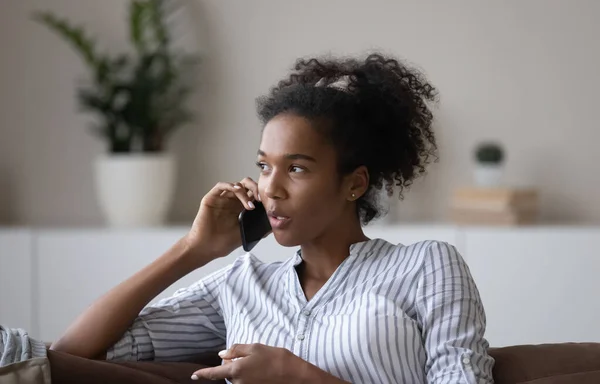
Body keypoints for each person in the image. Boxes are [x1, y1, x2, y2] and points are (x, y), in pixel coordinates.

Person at [50, 53, 495, 383]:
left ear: (354, 184)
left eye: (297, 168)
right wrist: (192, 250)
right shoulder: (240, 285)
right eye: (264, 166)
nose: (271, 187)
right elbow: (73, 352)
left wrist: (299, 376)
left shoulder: (426, 266)